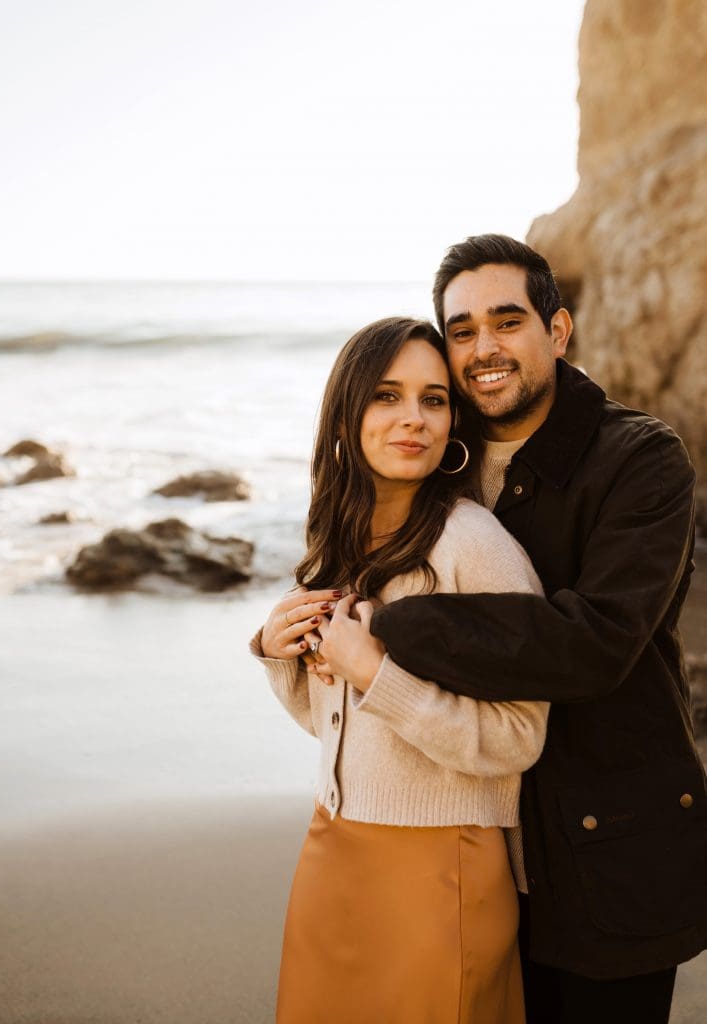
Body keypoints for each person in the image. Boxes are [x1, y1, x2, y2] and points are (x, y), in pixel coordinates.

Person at [314, 235, 707, 1024]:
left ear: (556, 331)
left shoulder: (639, 460)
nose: (483, 348)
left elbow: (594, 642)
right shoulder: (435, 465)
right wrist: (297, 632)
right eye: (461, 331)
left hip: (608, 845)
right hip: (473, 854)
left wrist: (391, 627)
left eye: (506, 321)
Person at [251, 315, 551, 1023]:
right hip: (332, 844)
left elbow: (517, 739)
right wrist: (276, 651)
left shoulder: (475, 546)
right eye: (386, 396)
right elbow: (343, 730)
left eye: (434, 399)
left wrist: (375, 673)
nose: (411, 419)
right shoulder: (338, 542)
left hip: (440, 867)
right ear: (346, 412)